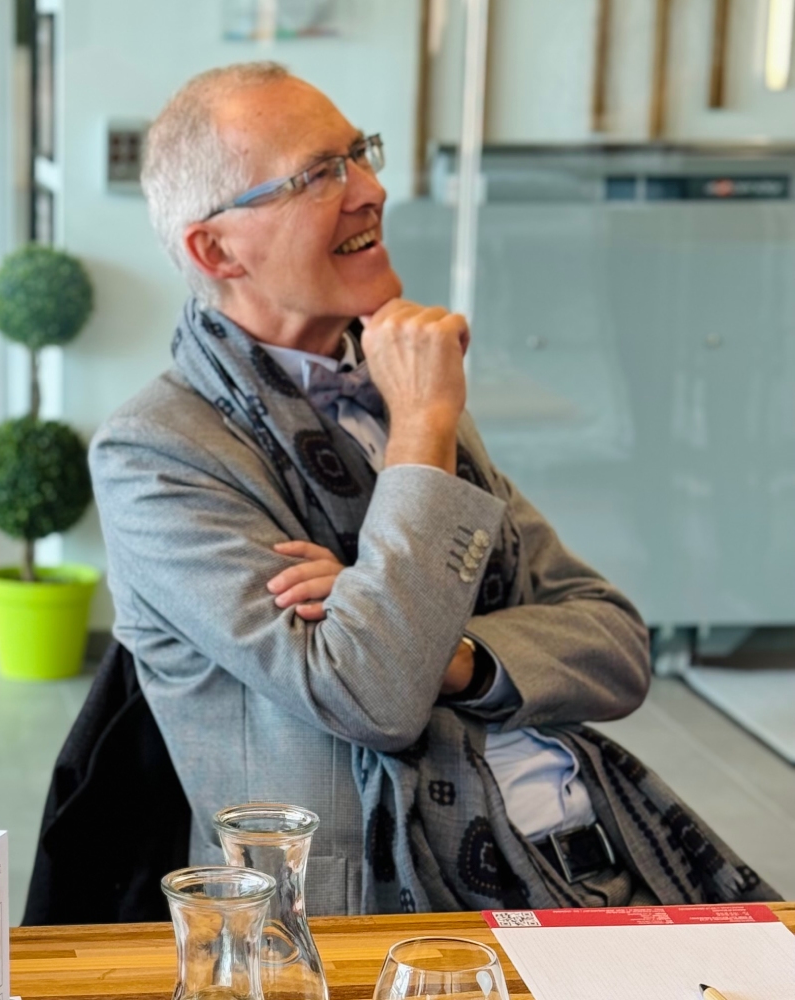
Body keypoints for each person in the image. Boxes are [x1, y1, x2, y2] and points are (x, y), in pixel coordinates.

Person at [90, 63, 774, 915]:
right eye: (319, 175)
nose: (372, 190)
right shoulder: (159, 450)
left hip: (600, 854)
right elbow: (368, 694)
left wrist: (451, 655)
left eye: (360, 155)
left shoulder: (394, 383)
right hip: (384, 912)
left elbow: (616, 643)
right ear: (216, 249)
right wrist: (421, 433)